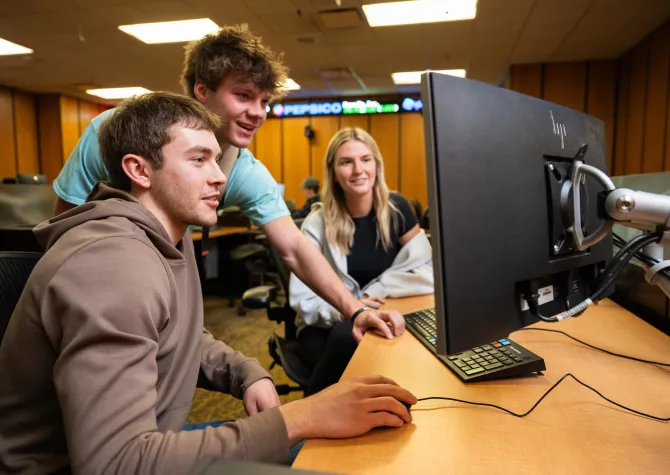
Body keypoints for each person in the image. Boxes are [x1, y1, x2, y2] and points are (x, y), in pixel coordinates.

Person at [0, 92, 417, 474]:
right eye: (199, 160)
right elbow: (117, 463)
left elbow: (175, 335)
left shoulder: (165, 237)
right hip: (99, 463)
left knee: (344, 448)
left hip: (150, 444)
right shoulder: (112, 265)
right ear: (139, 170)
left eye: (217, 160)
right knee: (330, 455)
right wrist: (302, 416)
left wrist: (245, 371)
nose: (219, 176)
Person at [52, 24, 405, 349]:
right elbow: (63, 232)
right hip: (91, 287)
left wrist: (355, 310)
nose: (259, 112)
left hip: (158, 289)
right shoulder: (112, 133)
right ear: (202, 91)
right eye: (244, 96)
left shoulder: (242, 170)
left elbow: (294, 247)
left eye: (264, 101)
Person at [290, 128, 434, 395]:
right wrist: (353, 308)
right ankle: (310, 422)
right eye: (346, 162)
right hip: (323, 326)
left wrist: (374, 292)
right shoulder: (316, 223)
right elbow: (304, 301)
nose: (358, 170)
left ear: (376, 165)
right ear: (333, 172)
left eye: (366, 159)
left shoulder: (397, 209)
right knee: (348, 338)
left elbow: (428, 269)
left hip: (382, 310)